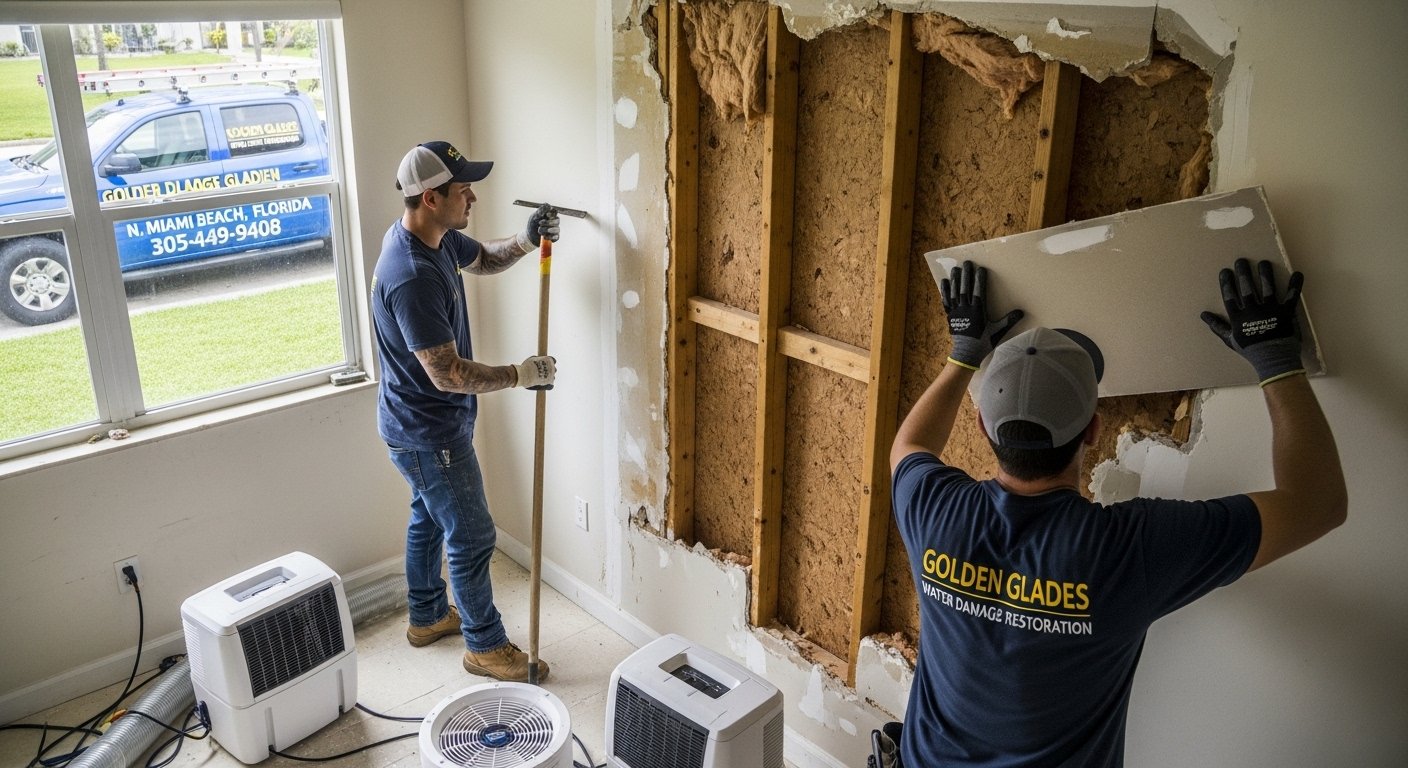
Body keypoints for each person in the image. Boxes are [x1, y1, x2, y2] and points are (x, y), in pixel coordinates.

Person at [888, 258, 1347, 766]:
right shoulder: (1130, 550)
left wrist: (962, 356)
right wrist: (1277, 362)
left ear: (981, 427)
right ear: (1093, 431)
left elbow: (908, 444)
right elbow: (1317, 505)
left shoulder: (932, 510)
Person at [371, 140, 561, 683]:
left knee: (429, 518)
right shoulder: (410, 274)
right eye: (463, 189)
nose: (472, 196)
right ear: (431, 197)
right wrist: (520, 375)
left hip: (418, 424)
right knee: (473, 534)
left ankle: (428, 615)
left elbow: (484, 259)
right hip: (429, 432)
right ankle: (484, 644)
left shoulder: (437, 238)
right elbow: (447, 374)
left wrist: (526, 241)